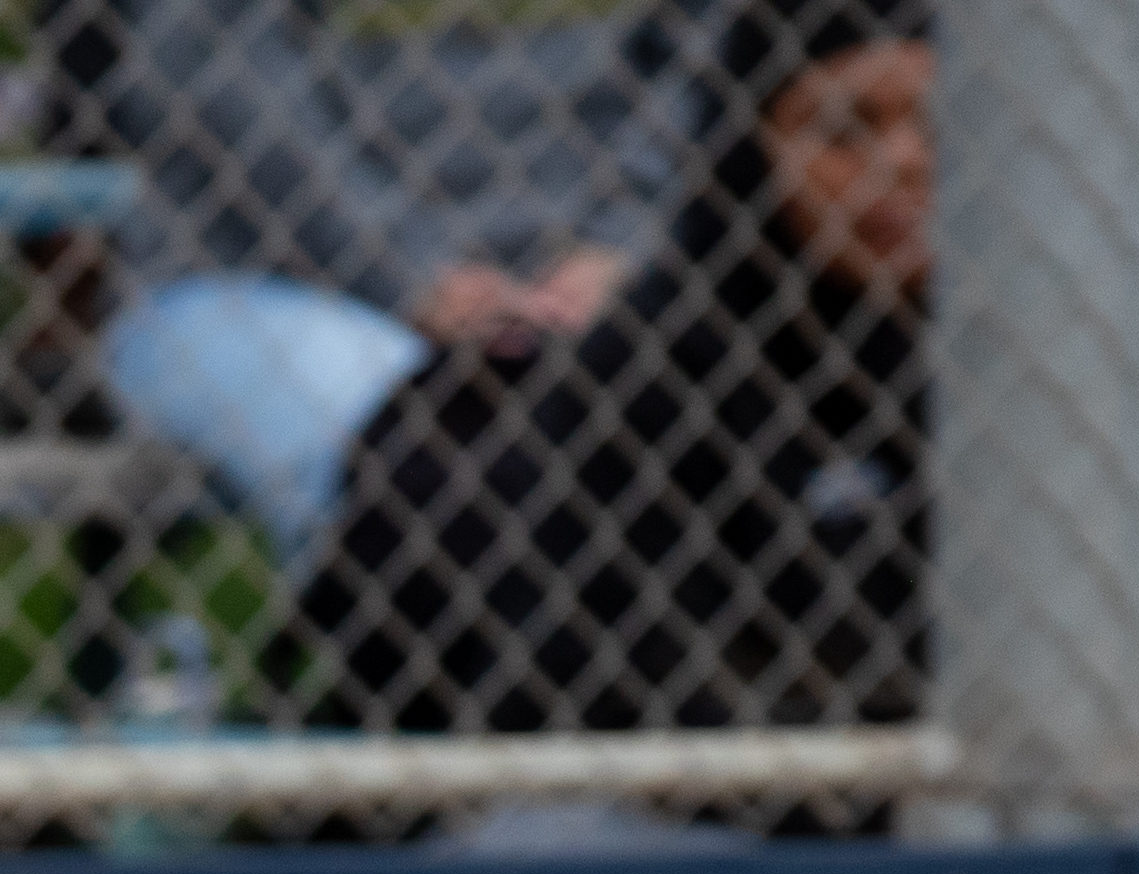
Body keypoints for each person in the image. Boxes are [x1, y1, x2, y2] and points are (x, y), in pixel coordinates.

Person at [299, 0, 928, 740]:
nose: (903, 162)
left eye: (939, 127)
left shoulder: (1000, 355)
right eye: (845, 130)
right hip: (644, 801)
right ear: (756, 146)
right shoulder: (658, 374)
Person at [51, 0, 711, 555]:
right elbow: (217, 75)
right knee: (417, 456)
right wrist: (409, 274)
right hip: (263, 279)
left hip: (602, 283)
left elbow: (719, 66)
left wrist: (617, 249)